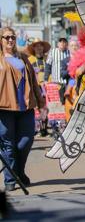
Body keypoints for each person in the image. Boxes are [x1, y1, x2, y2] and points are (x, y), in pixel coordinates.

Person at [0, 27, 44, 191]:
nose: (10, 40)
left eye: (12, 37)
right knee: (7, 144)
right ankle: (10, 179)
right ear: (1, 40)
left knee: (25, 141)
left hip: (25, 107)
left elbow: (33, 82)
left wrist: (41, 103)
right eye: (6, 37)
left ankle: (18, 171)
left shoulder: (24, 58)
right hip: (4, 108)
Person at [26, 38, 51, 136]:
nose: (39, 47)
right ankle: (37, 129)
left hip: (47, 86)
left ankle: (44, 129)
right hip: (35, 87)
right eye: (36, 46)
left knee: (46, 107)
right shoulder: (30, 60)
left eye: (40, 45)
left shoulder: (47, 58)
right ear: (34, 48)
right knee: (36, 108)